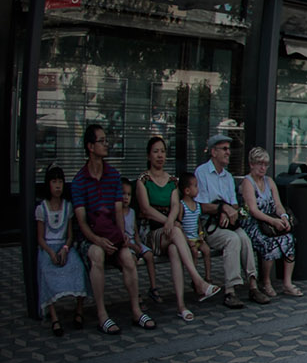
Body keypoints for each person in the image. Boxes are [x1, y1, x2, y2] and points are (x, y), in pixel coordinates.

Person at [73, 122, 153, 333]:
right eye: (102, 141)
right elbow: (81, 221)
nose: (106, 145)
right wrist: (97, 240)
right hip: (89, 238)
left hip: (112, 234)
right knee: (97, 255)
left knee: (128, 258)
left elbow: (118, 211)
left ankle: (136, 311)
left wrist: (121, 237)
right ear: (90, 147)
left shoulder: (113, 176)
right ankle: (102, 315)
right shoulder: (80, 180)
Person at [134, 134, 220, 320]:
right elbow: (146, 209)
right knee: (175, 232)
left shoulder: (173, 181)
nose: (160, 155)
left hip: (171, 233)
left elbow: (175, 206)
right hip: (153, 233)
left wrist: (170, 220)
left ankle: (181, 306)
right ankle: (198, 281)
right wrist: (168, 223)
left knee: (174, 249)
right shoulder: (143, 180)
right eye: (156, 152)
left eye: (163, 152)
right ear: (149, 155)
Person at [195, 132, 258, 307]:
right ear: (213, 152)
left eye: (229, 149)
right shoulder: (202, 173)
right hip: (210, 226)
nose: (228, 153)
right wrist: (222, 209)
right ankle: (230, 291)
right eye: (224, 149)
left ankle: (253, 285)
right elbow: (202, 205)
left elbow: (235, 205)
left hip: (228, 223)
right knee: (232, 240)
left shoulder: (228, 177)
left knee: (245, 238)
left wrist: (229, 211)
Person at [239, 146, 303, 298]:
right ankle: (266, 281)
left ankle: (287, 283)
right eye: (259, 163)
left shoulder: (269, 181)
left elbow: (278, 205)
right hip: (254, 224)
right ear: (252, 164)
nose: (263, 167)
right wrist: (273, 222)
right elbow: (253, 210)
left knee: (288, 239)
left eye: (265, 164)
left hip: (270, 222)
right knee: (269, 243)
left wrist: (283, 217)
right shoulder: (247, 183)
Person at [33, 164, 87, 335]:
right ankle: (54, 317)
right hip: (48, 247)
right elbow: (40, 238)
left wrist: (65, 248)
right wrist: (50, 252)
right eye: (54, 182)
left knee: (78, 267)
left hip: (64, 246)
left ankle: (79, 311)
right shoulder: (42, 208)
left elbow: (70, 235)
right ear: (48, 184)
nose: (57, 186)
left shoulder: (68, 206)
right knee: (46, 270)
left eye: (60, 182)